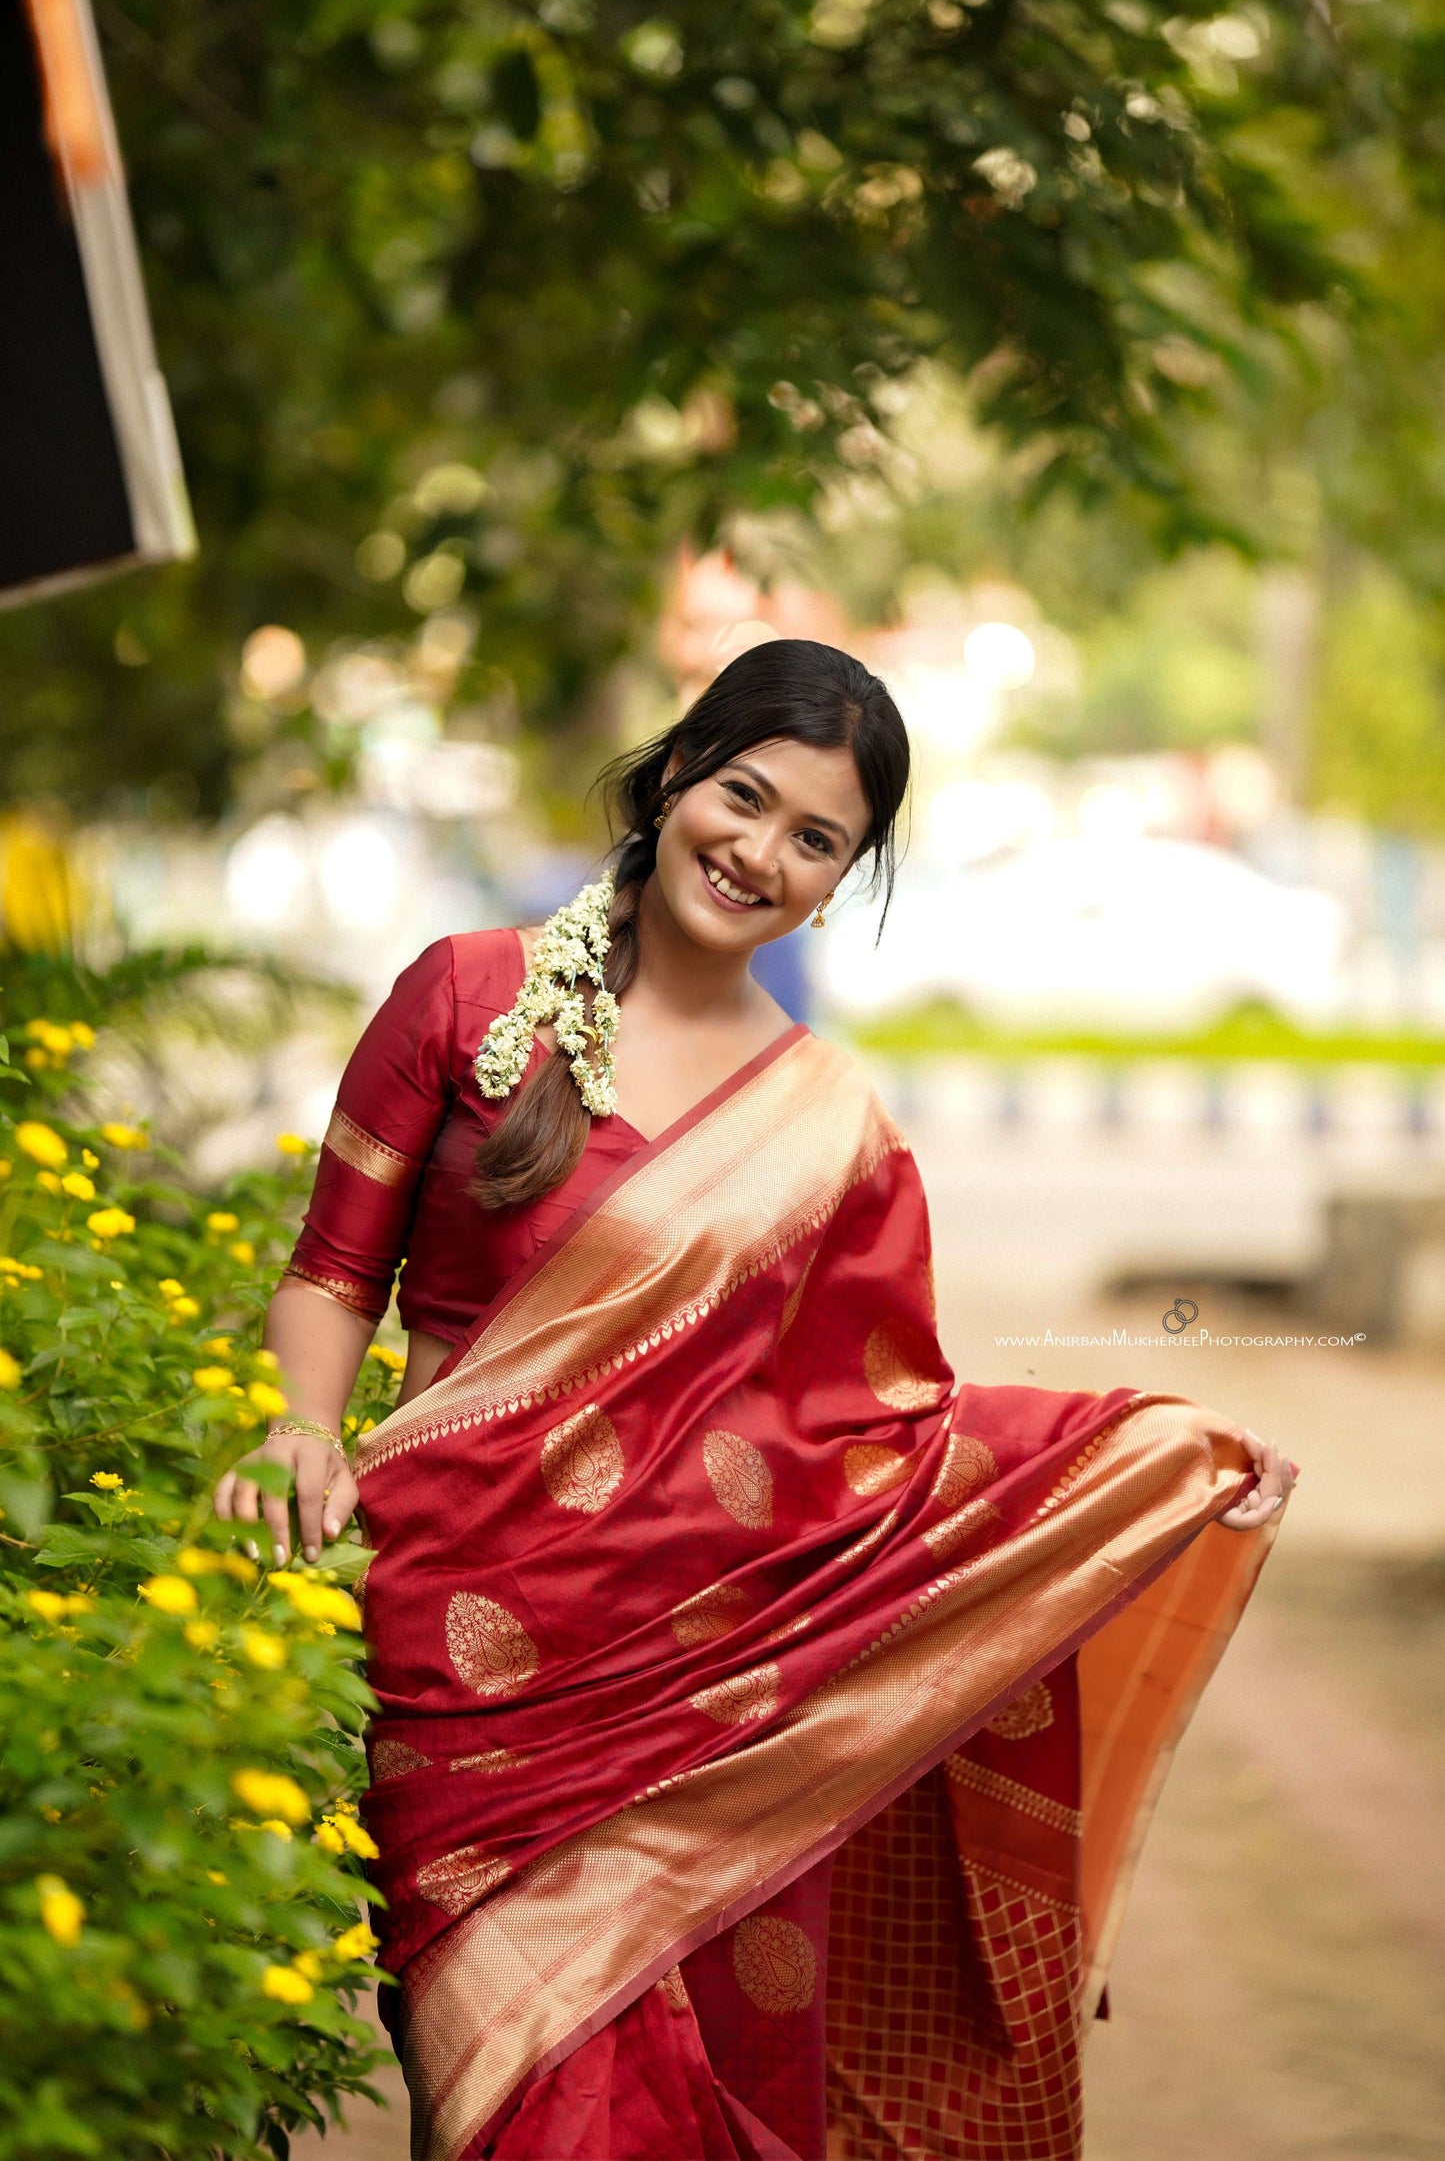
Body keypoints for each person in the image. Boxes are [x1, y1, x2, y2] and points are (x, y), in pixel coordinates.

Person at [215, 639, 1293, 2161]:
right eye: (743, 795)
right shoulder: (466, 996)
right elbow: (333, 1269)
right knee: (518, 2111)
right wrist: (299, 1428)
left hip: (718, 1712)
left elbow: (888, 1437)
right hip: (464, 1678)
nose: (759, 853)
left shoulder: (833, 1130)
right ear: (671, 776)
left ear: (842, 879)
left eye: (816, 840)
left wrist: (1150, 1456)